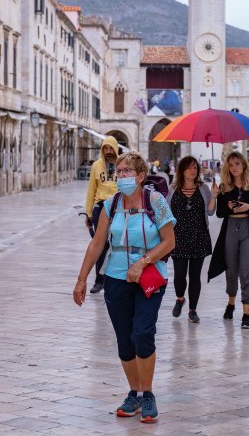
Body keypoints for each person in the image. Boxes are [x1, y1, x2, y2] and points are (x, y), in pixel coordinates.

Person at [73, 151, 176, 423]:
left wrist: (143, 262)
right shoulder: (111, 204)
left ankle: (149, 393)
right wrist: (82, 279)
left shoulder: (155, 201)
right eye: (120, 171)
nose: (123, 175)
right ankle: (135, 393)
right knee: (124, 339)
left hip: (150, 277)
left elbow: (169, 241)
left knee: (143, 332)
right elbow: (97, 244)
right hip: (116, 278)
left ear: (141, 176)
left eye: (128, 171)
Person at [208, 151, 249, 329]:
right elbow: (219, 214)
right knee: (231, 271)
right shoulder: (224, 187)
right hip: (230, 230)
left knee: (246, 271)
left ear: (244, 165)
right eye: (231, 164)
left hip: (248, 230)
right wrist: (225, 205)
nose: (234, 168)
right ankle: (231, 302)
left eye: (237, 164)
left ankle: (246, 314)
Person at [166, 156, 218, 323]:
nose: (192, 170)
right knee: (179, 276)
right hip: (178, 237)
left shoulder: (203, 189)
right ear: (182, 170)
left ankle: (192, 310)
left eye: (195, 168)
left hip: (199, 237)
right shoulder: (173, 188)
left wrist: (215, 196)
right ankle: (180, 298)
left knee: (195, 276)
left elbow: (210, 212)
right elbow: (166, 212)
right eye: (189, 167)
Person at [84, 136, 120, 293]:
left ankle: (116, 279)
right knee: (100, 244)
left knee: (119, 243)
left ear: (115, 149)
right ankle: (99, 281)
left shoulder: (121, 165)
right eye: (105, 148)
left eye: (111, 148)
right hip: (101, 207)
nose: (108, 151)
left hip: (119, 207)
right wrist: (88, 212)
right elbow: (91, 189)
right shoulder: (96, 166)